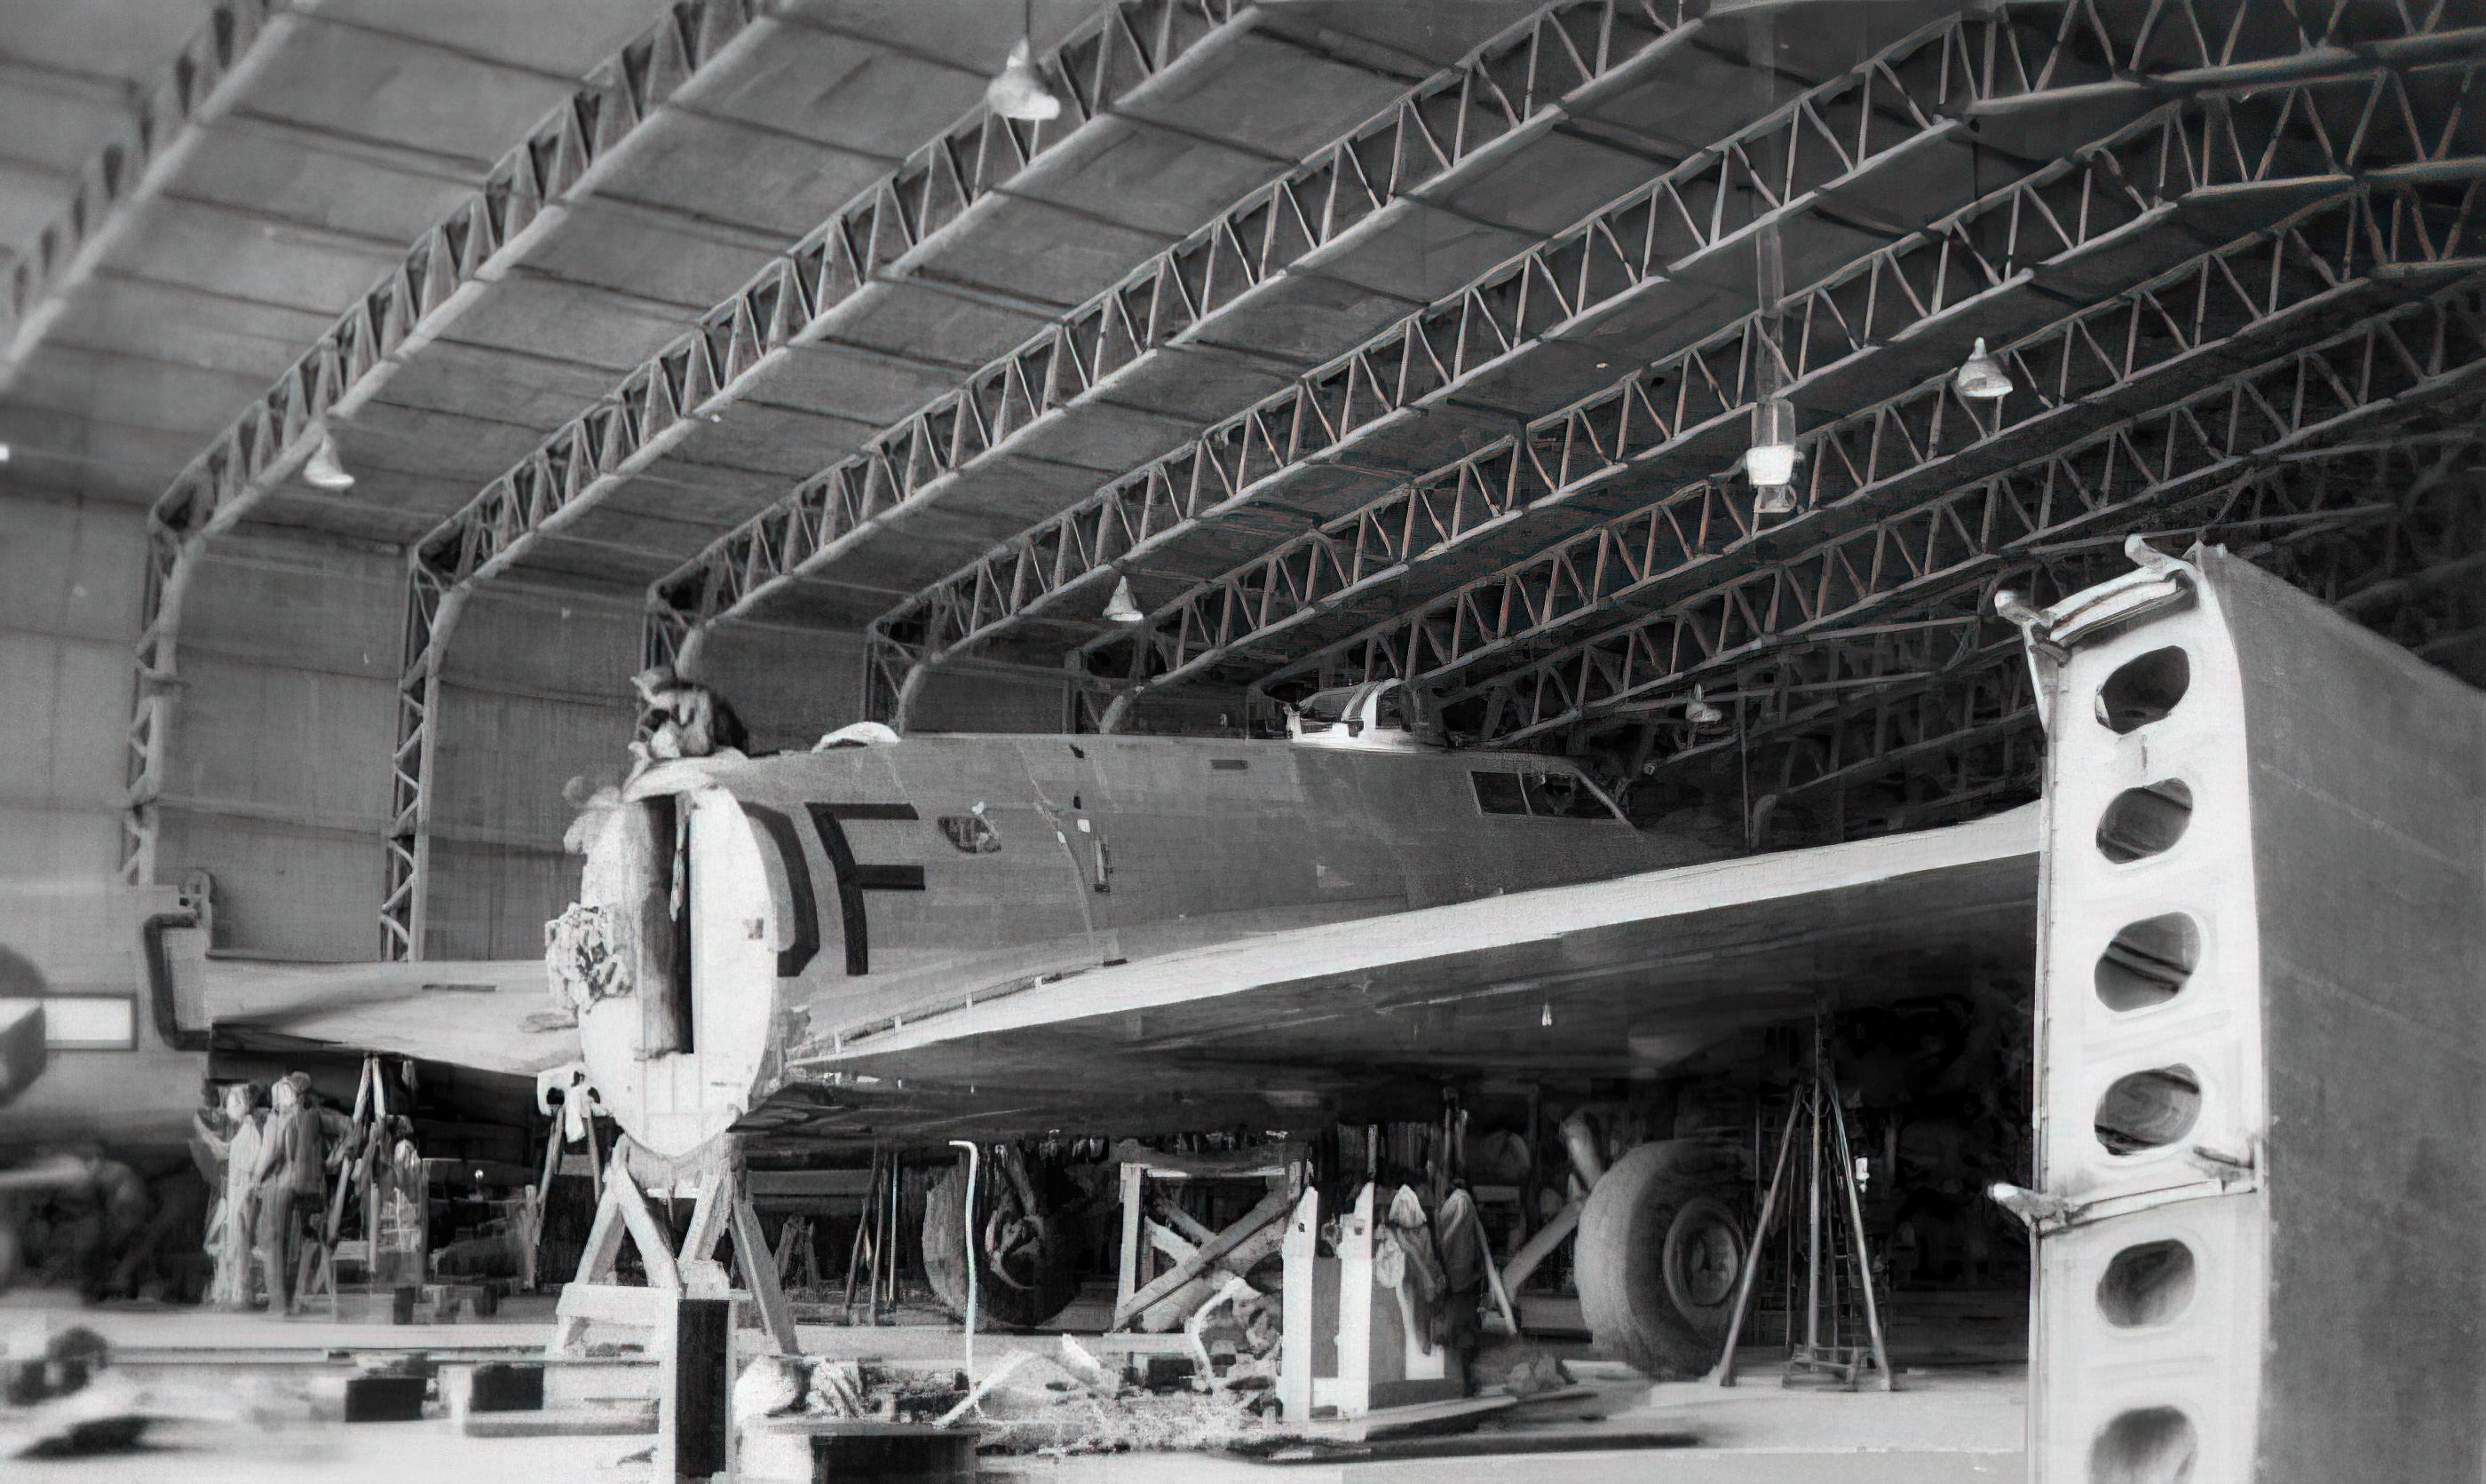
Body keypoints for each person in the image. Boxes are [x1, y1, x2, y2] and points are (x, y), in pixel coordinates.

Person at [249, 1073, 335, 1313]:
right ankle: (286, 1299)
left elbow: (271, 1153)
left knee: (275, 1238)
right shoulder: (307, 1118)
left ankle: (279, 1300)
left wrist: (255, 1179)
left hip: (287, 1189)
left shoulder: (281, 1121)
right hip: (306, 1191)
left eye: (285, 1093)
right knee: (288, 1242)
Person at [192, 1082, 265, 1308]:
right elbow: (200, 1121)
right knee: (220, 1241)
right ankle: (224, 1290)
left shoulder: (250, 1129)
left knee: (237, 1242)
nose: (233, 1104)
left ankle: (239, 1292)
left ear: (247, 1106)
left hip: (240, 1194)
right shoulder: (230, 1126)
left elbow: (252, 1163)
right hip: (227, 1193)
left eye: (239, 1100)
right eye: (231, 1100)